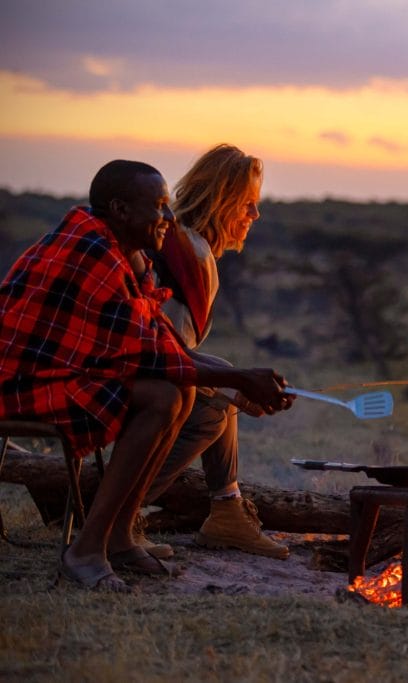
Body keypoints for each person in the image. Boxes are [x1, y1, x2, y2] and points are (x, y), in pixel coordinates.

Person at [0, 160, 293, 592]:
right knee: (166, 396)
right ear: (120, 209)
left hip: (62, 373)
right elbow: (149, 356)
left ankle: (118, 535)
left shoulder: (124, 253)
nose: (168, 219)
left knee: (176, 395)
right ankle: (87, 547)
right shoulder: (92, 253)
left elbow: (163, 339)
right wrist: (239, 381)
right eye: (158, 207)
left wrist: (239, 379)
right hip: (22, 385)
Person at [131, 144, 288, 559]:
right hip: (130, 382)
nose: (255, 216)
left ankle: (228, 511)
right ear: (221, 203)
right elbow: (163, 360)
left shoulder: (179, 244)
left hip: (132, 368)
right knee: (213, 410)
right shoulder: (191, 255)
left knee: (224, 381)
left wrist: (236, 382)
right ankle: (117, 515)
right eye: (248, 205)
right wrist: (234, 386)